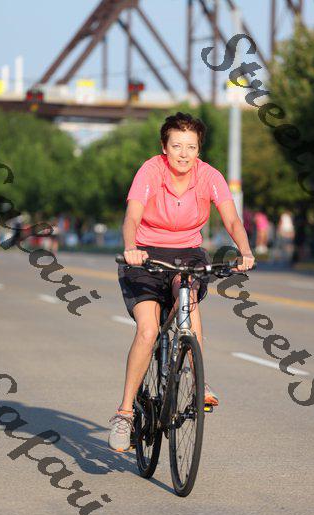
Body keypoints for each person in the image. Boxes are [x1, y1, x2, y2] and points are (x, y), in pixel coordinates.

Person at [109, 112, 255, 452]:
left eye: (191, 147)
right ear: (164, 147)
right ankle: (125, 413)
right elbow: (132, 217)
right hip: (145, 255)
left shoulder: (209, 176)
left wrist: (245, 250)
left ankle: (198, 382)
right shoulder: (151, 171)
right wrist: (131, 248)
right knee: (148, 330)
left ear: (199, 149)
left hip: (187, 253)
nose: (184, 154)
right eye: (176, 146)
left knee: (186, 299)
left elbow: (232, 220)